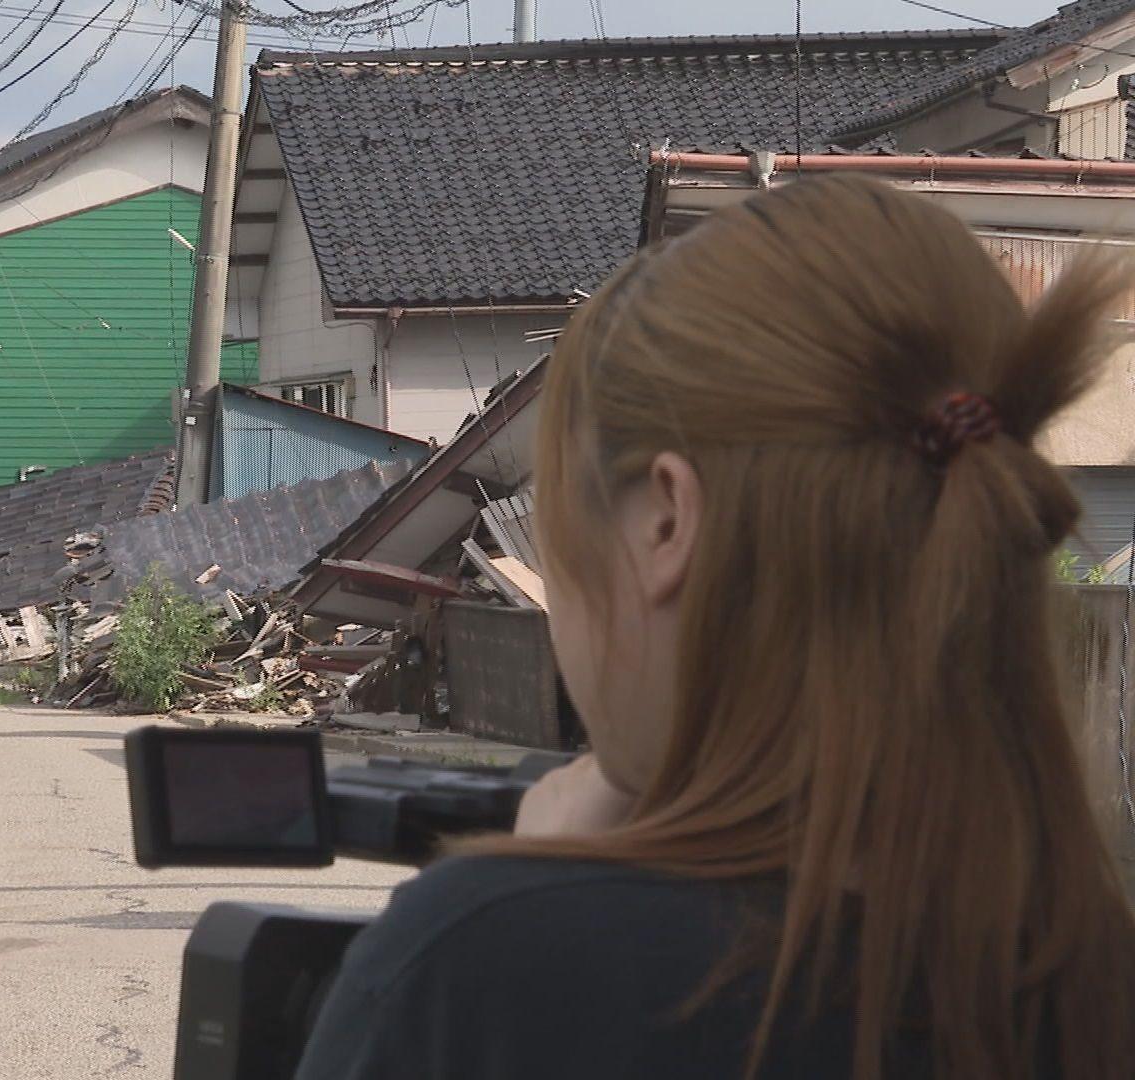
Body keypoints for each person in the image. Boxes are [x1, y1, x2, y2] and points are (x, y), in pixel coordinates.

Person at [294, 174, 1135, 1079]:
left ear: (665, 523)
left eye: (564, 535)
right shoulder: (1090, 971)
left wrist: (545, 895)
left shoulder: (490, 970)